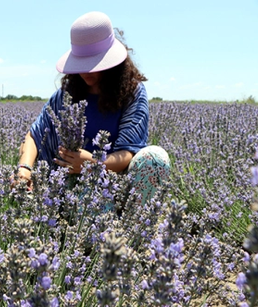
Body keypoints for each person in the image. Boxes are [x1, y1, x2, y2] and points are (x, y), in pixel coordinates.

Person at [15, 11, 170, 205]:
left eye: (94, 64)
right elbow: (34, 136)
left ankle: (137, 226)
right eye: (81, 63)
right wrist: (24, 169)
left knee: (155, 158)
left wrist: (93, 165)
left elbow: (129, 152)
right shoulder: (66, 95)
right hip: (70, 186)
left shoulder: (132, 93)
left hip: (115, 181)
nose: (85, 71)